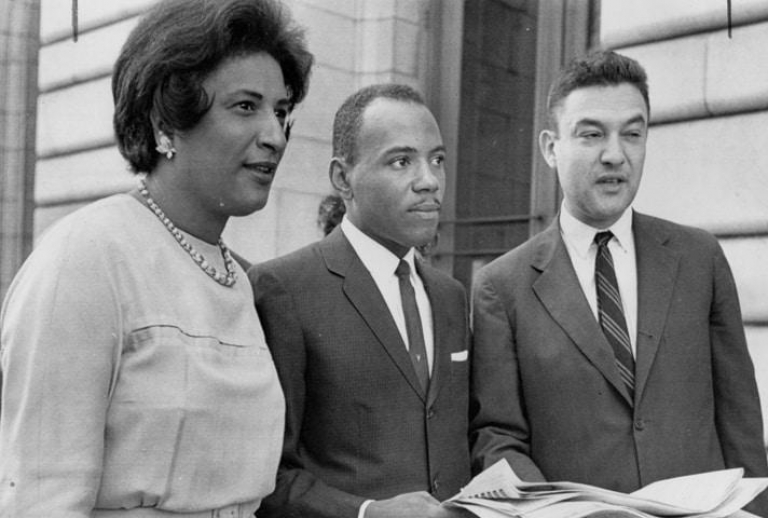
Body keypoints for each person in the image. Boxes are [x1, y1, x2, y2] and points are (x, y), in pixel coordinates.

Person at [0, 0, 312, 515]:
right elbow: (39, 497)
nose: (275, 136)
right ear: (165, 123)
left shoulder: (237, 277)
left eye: (280, 111)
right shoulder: (87, 256)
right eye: (245, 106)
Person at [469, 50, 768, 515]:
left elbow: (741, 421)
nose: (615, 155)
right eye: (591, 134)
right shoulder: (502, 286)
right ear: (551, 147)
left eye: (632, 133)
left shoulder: (699, 258)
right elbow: (497, 440)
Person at [249, 83, 471, 518]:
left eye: (437, 160)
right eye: (402, 161)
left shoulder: (450, 296)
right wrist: (366, 512)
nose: (429, 181)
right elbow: (265, 475)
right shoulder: (283, 288)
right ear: (342, 177)